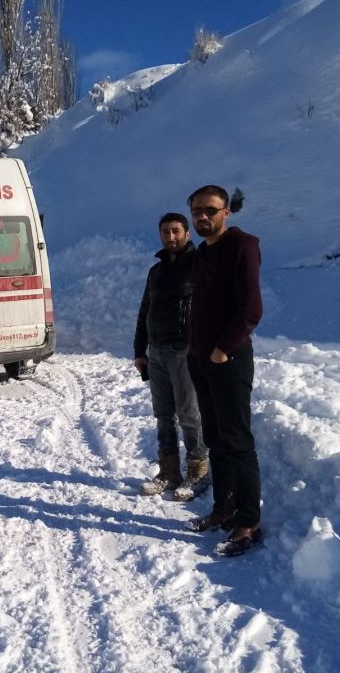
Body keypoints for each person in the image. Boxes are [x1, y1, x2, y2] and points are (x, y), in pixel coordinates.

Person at [184, 185, 263, 557]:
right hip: (200, 358)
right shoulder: (201, 252)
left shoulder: (242, 246)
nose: (203, 217)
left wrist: (220, 350)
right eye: (197, 211)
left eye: (210, 210)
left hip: (227, 359)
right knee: (215, 438)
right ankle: (223, 510)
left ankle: (248, 521)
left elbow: (250, 310)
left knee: (237, 441)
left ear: (226, 212)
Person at [134, 212, 209, 500]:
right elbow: (145, 311)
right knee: (163, 415)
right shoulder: (156, 271)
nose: (171, 237)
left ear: (187, 234)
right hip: (157, 351)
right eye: (165, 232)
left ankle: (198, 472)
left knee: (190, 414)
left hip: (185, 350)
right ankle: (168, 471)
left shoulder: (198, 265)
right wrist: (140, 351)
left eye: (176, 231)